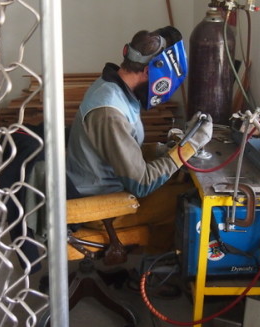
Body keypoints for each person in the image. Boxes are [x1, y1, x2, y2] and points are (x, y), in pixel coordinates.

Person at [66, 26, 213, 252]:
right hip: (105, 206)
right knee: (189, 202)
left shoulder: (112, 87)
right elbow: (143, 184)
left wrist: (162, 150)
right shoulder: (109, 112)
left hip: (101, 182)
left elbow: (122, 148)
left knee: (178, 180)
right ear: (151, 71)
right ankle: (161, 273)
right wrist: (190, 146)